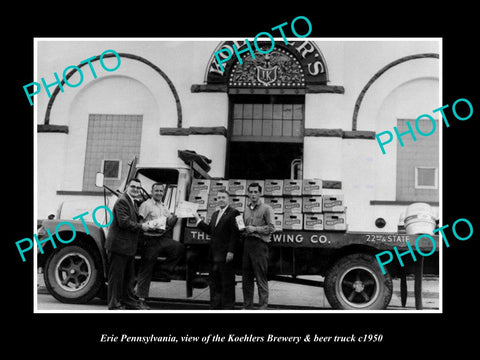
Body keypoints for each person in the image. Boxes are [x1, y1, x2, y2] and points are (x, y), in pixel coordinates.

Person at [105, 178, 153, 310]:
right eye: (133, 187)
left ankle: (129, 302)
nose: (136, 190)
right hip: (119, 246)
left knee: (128, 277)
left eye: (138, 188)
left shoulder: (132, 202)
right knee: (116, 277)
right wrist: (141, 227)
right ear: (127, 187)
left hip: (127, 247)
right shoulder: (122, 201)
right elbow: (124, 222)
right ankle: (113, 305)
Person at [136, 182, 185, 308]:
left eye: (161, 191)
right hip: (149, 239)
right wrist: (151, 225)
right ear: (152, 192)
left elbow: (169, 222)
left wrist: (178, 214)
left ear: (163, 193)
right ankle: (140, 299)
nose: (158, 193)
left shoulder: (163, 206)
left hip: (161, 238)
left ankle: (163, 270)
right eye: (156, 191)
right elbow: (140, 222)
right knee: (146, 268)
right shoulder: (146, 205)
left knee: (179, 248)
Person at [193, 189, 241, 309]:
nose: (220, 200)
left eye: (223, 197)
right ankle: (215, 307)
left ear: (228, 199)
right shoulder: (215, 214)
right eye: (219, 198)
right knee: (214, 284)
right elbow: (210, 231)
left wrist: (231, 251)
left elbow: (236, 234)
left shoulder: (234, 213)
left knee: (227, 283)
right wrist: (198, 219)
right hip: (214, 255)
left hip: (226, 255)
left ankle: (228, 308)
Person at [242, 182, 275, 310]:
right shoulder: (246, 209)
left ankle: (262, 308)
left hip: (259, 245)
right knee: (246, 278)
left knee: (261, 278)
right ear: (248, 194)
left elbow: (272, 228)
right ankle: (247, 306)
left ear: (260, 193)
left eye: (256, 192)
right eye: (251, 192)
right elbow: (246, 228)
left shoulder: (267, 208)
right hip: (247, 244)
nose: (253, 194)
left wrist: (255, 229)